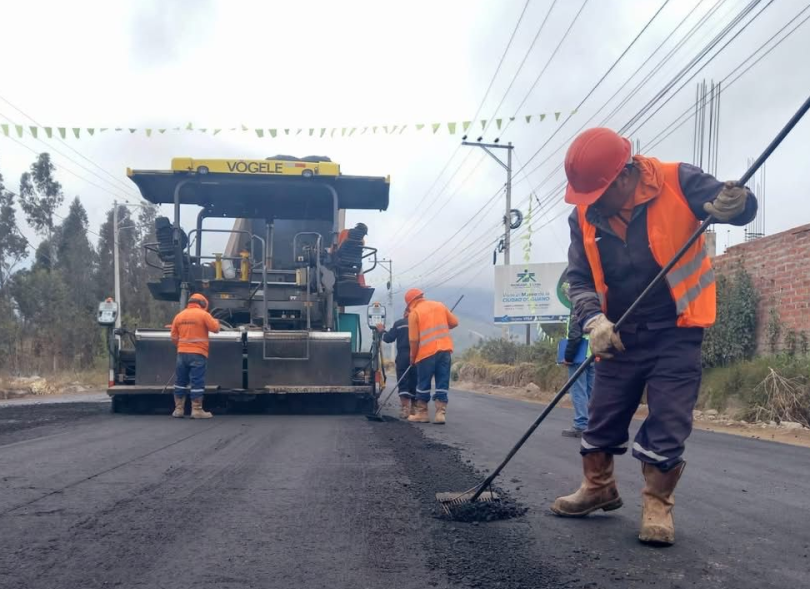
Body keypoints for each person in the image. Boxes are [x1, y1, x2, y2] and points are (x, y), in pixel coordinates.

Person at [551, 127, 757, 546]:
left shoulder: (678, 180)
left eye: (598, 195)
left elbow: (735, 206)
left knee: (668, 417)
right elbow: (579, 278)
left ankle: (658, 505)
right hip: (619, 333)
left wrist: (739, 204)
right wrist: (593, 321)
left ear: (624, 177)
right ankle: (598, 487)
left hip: (675, 329)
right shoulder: (584, 215)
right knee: (602, 416)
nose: (591, 206)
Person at [404, 289, 459, 424]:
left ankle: (422, 413)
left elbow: (413, 340)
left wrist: (412, 357)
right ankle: (440, 413)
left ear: (410, 303)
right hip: (444, 350)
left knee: (423, 382)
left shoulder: (414, 313)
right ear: (422, 297)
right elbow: (454, 323)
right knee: (442, 381)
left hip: (426, 353)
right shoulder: (439, 305)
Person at [170, 293, 220, 419]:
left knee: (180, 381)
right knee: (197, 381)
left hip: (182, 354)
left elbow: (174, 337)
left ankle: (178, 409)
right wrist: (216, 321)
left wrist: (182, 346)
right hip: (198, 354)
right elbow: (215, 328)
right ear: (202, 304)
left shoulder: (179, 316)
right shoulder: (203, 315)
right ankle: (196, 410)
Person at [561, 283, 593, 438]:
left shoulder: (577, 309)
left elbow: (574, 336)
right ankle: (593, 425)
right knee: (591, 391)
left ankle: (581, 425)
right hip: (595, 354)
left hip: (579, 356)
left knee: (578, 391)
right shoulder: (595, 308)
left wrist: (568, 357)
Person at [377, 310, 418, 419]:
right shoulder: (420, 323)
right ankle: (414, 409)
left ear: (405, 313)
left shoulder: (399, 323)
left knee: (403, 381)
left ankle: (405, 409)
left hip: (403, 355)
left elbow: (388, 338)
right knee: (415, 381)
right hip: (419, 354)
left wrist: (381, 330)